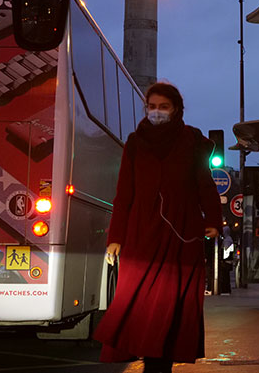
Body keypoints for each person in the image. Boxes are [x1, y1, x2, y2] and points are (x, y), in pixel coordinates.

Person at [94, 82, 223, 373]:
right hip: (141, 235)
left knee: (170, 306)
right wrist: (115, 237)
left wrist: (213, 221)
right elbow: (124, 193)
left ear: (176, 109)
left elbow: (205, 185)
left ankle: (158, 364)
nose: (157, 112)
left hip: (182, 235)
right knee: (139, 302)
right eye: (152, 106)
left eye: (163, 107)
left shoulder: (192, 141)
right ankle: (153, 361)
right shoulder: (135, 143)